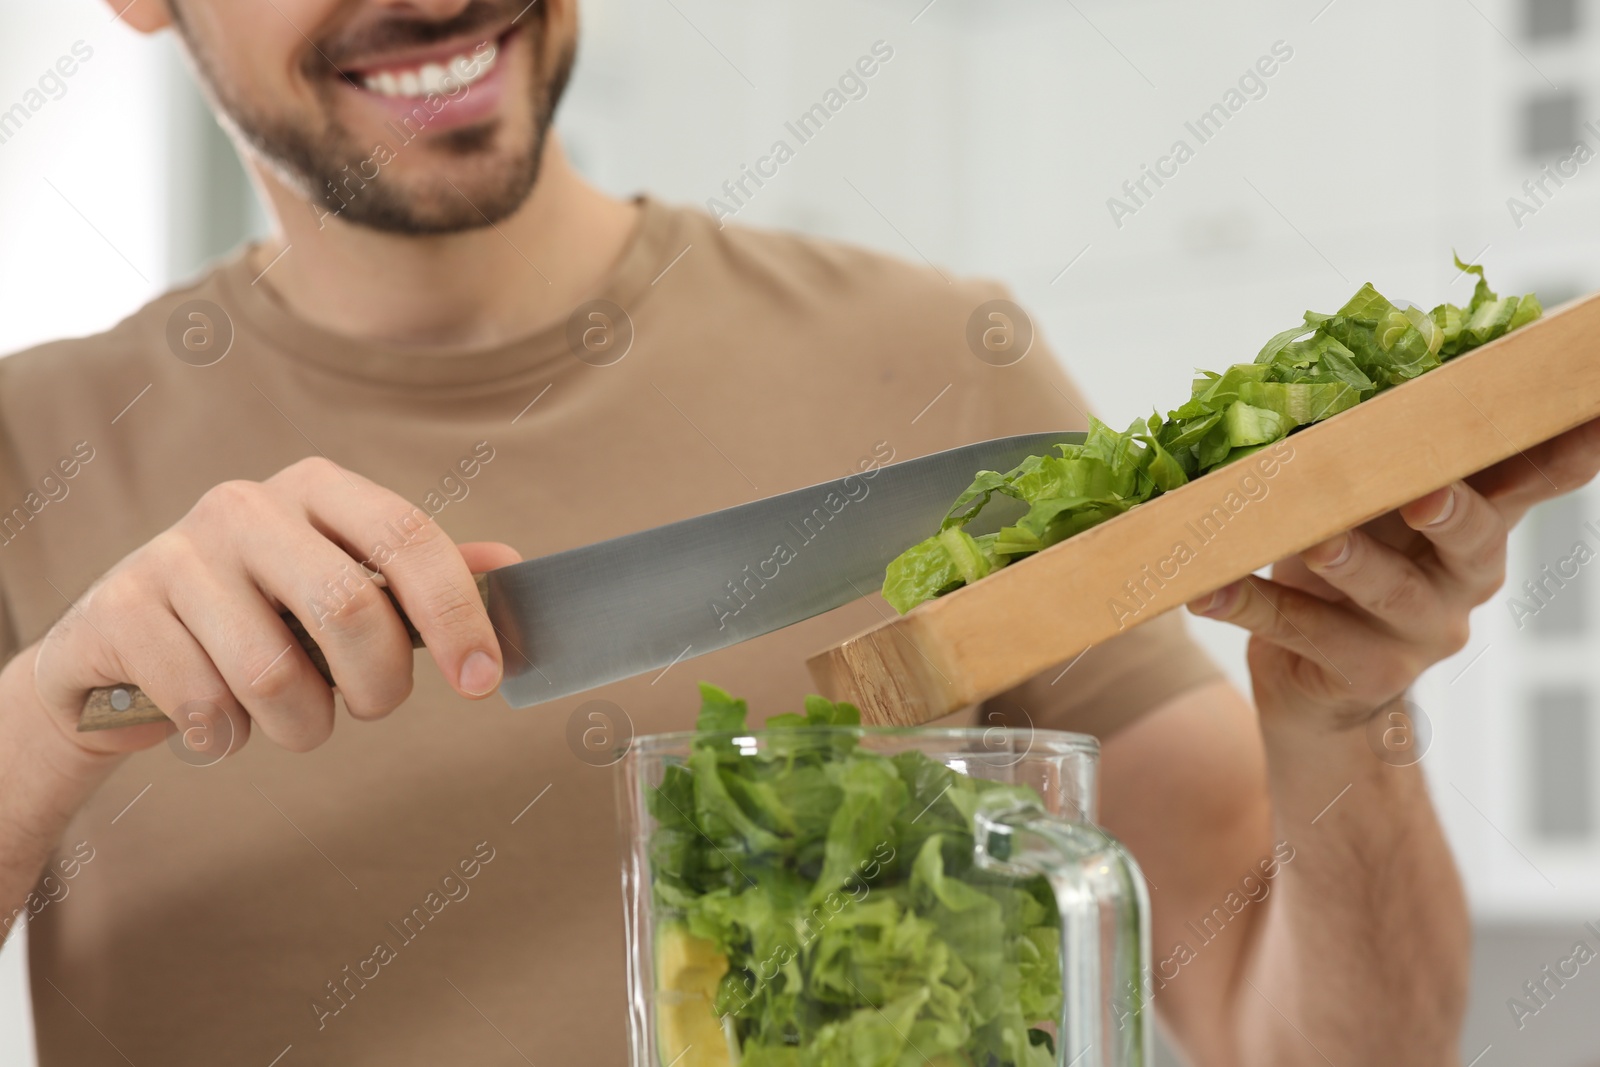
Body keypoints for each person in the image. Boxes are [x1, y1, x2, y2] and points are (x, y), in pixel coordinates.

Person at [0, 1, 1593, 1064]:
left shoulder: (938, 365)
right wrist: (46, 719)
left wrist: (1343, 717)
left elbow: (1310, 1040)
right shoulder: (32, 450)